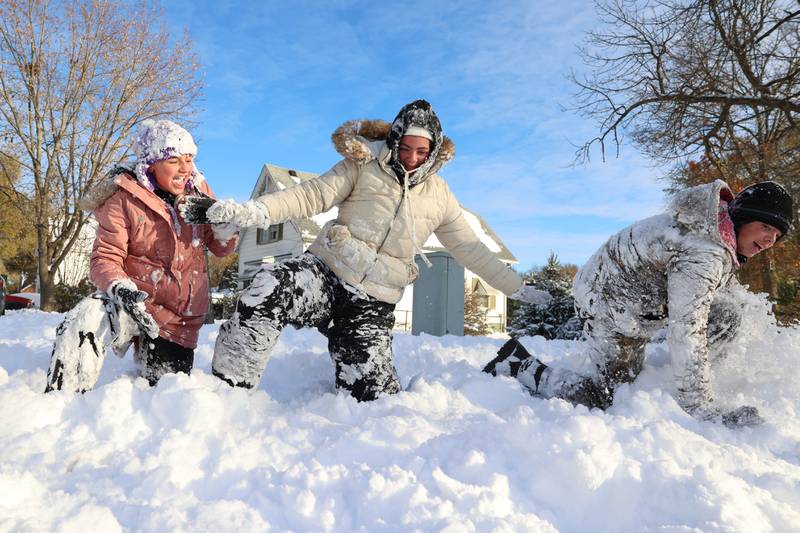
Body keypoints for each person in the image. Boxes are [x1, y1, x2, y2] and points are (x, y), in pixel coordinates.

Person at [179, 99, 546, 401]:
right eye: (406, 147)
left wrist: (515, 287)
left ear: (434, 152)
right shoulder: (362, 166)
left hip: (373, 302)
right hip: (325, 274)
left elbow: (470, 248)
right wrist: (249, 211)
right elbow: (308, 196)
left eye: (422, 151)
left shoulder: (440, 197)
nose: (413, 157)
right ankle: (226, 394)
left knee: (373, 400)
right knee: (269, 286)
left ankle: (499, 369)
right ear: (395, 140)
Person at [485, 180, 793, 428]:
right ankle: (517, 364)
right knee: (610, 395)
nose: (770, 240)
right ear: (744, 215)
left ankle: (686, 378)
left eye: (777, 235)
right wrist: (701, 408)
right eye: (766, 226)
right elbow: (688, 327)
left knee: (729, 313)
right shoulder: (703, 250)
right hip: (606, 303)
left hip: (631, 298)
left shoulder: (713, 231)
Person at [45, 120, 238, 392]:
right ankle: (62, 397)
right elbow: (105, 257)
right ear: (152, 163)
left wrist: (225, 226)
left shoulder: (199, 190)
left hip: (177, 321)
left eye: (189, 159)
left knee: (163, 393)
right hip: (133, 303)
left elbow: (222, 248)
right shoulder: (124, 198)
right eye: (174, 160)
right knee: (90, 313)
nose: (185, 168)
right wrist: (120, 288)